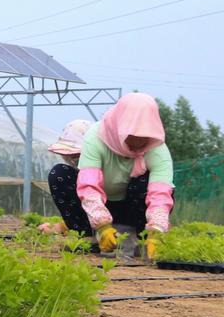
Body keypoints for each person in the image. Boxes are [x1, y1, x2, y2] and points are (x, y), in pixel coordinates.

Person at [47, 95, 173, 258]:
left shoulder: (157, 149)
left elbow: (160, 195)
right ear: (121, 126)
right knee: (60, 174)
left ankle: (142, 239)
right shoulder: (96, 137)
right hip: (96, 206)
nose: (139, 143)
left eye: (144, 137)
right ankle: (87, 237)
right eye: (133, 136)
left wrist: (157, 231)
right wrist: (102, 226)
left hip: (131, 208)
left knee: (145, 182)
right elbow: (88, 186)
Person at [38, 119, 92, 233]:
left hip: (115, 216)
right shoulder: (71, 176)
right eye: (70, 155)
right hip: (90, 221)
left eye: (77, 155)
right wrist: (61, 226)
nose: (73, 160)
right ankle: (83, 232)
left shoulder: (110, 165)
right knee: (58, 173)